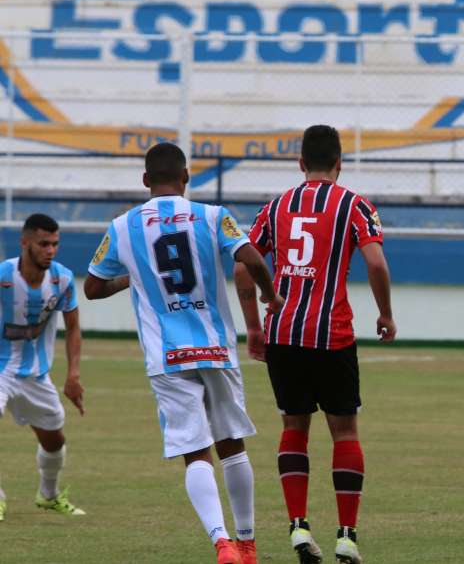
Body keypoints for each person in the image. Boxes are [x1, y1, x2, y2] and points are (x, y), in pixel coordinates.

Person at [85, 142, 281, 564]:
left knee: (196, 452)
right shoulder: (214, 216)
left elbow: (93, 287)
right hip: (216, 349)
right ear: (187, 177)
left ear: (144, 181)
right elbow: (251, 258)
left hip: (167, 355)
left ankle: (220, 541)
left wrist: (132, 280)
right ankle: (247, 544)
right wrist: (270, 294)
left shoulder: (122, 226)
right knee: (233, 444)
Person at [234, 124, 396, 564]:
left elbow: (244, 266)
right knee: (344, 431)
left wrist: (253, 325)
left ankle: (299, 526)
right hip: (333, 334)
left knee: (293, 429)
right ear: (339, 165)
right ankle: (346, 535)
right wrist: (384, 313)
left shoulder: (276, 206)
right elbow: (376, 262)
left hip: (283, 332)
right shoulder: (354, 205)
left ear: (301, 163)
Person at [0, 214, 86, 522]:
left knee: (54, 441)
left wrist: (73, 373)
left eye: (55, 244)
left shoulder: (61, 279)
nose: (50, 250)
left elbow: (73, 326)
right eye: (43, 244)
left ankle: (48, 496)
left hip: (36, 374)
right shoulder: (4, 276)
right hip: (0, 370)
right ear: (25, 243)